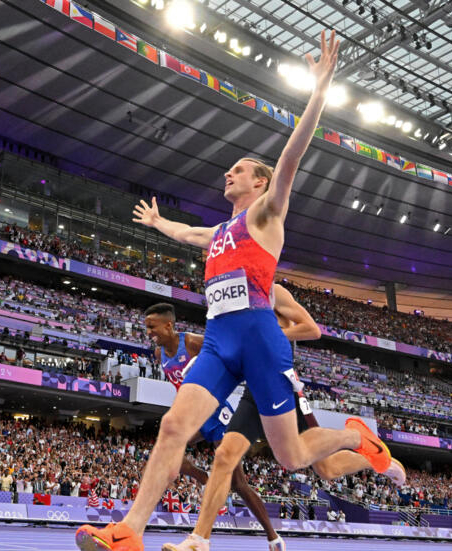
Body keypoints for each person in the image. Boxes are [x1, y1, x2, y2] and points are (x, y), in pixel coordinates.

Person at [76, 30, 390, 551]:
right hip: (221, 339)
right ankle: (129, 531)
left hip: (260, 336)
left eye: (238, 170)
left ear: (260, 184)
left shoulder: (266, 215)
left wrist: (319, 92)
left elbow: (291, 156)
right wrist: (157, 223)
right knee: (174, 425)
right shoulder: (219, 232)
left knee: (291, 455)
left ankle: (356, 436)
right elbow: (186, 232)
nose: (229, 173)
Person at [164, 284, 405, 550]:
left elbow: (311, 329)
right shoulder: (232, 298)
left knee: (326, 469)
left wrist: (271, 335)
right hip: (254, 388)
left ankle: (362, 443)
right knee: (224, 457)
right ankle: (198, 539)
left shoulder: (273, 291)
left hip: (282, 385)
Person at [142, 302, 281, 550]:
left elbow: (229, 357)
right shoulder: (157, 354)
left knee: (239, 484)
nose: (149, 333)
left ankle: (274, 538)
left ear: (169, 325)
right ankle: (209, 482)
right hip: (195, 416)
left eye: (152, 327)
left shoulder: (193, 343)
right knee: (168, 452)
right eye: (146, 328)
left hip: (217, 413)